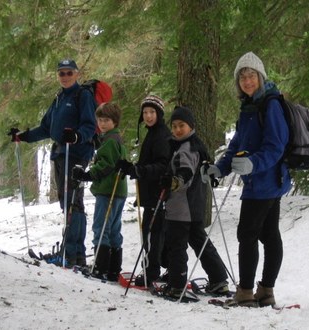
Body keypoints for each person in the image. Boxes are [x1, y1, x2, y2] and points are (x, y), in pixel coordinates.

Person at [201, 51, 291, 307]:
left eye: (251, 75)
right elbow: (237, 146)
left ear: (260, 77)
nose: (247, 81)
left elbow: (276, 146)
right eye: (242, 77)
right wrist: (220, 169)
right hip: (262, 181)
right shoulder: (249, 108)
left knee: (248, 234)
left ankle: (246, 292)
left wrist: (253, 164)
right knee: (268, 234)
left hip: (266, 181)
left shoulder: (271, 104)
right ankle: (265, 291)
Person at [8, 59, 96, 267]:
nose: (64, 77)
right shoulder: (59, 98)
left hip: (76, 154)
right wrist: (23, 136)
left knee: (73, 200)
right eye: (61, 73)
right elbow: (47, 128)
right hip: (60, 153)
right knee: (67, 201)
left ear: (76, 74)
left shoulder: (82, 96)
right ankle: (72, 251)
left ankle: (74, 253)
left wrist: (76, 137)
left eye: (68, 73)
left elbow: (90, 125)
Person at [160, 105, 230, 300]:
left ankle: (177, 285)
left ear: (190, 126)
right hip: (193, 206)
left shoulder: (187, 148)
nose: (177, 130)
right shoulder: (191, 145)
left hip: (182, 208)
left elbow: (186, 171)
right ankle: (218, 280)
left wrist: (174, 181)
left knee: (177, 246)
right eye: (174, 126)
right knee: (200, 242)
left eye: (181, 125)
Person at [116, 95, 171, 287]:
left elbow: (162, 165)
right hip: (150, 192)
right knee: (153, 231)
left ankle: (152, 271)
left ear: (159, 114)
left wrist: (140, 170)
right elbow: (149, 163)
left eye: (152, 112)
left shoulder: (162, 134)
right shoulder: (152, 133)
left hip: (158, 192)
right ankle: (162, 269)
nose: (148, 116)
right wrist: (134, 168)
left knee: (152, 233)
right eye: (145, 112)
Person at [72, 102, 128, 281]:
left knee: (101, 226)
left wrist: (88, 175)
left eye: (107, 120)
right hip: (117, 189)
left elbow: (106, 164)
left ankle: (101, 267)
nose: (102, 124)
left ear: (115, 121)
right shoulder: (113, 138)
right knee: (112, 228)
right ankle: (112, 268)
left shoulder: (110, 141)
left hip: (108, 190)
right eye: (100, 120)